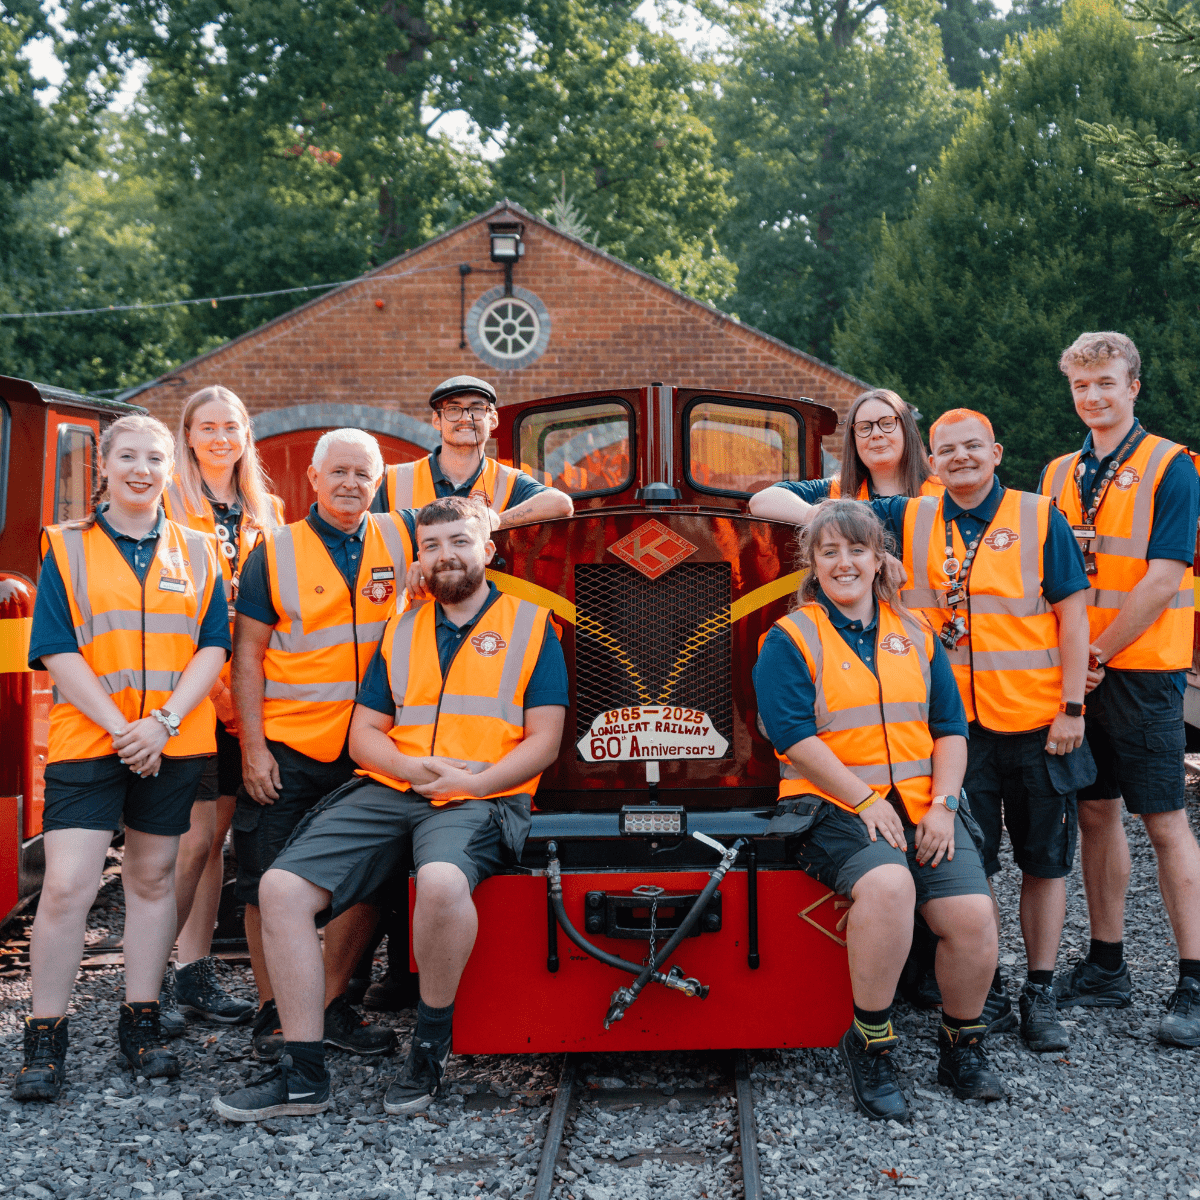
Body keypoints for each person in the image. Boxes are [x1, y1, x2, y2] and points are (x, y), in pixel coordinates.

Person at [213, 495, 568, 1121]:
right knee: (280, 889)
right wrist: (410, 770)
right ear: (419, 559)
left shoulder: (532, 626)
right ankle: (303, 1073)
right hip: (396, 786)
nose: (444, 555)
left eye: (458, 542)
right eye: (430, 546)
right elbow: (365, 736)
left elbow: (545, 740)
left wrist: (476, 783)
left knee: (441, 883)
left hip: (483, 794)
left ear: (488, 551)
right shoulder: (400, 630)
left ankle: (429, 1047)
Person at [754, 501, 1001, 1121]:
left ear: (877, 559)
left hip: (922, 806)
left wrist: (944, 805)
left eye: (856, 550)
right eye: (829, 552)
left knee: (972, 915)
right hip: (828, 805)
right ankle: (871, 1043)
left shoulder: (914, 633)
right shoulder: (790, 638)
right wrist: (864, 800)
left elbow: (949, 728)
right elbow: (792, 736)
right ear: (813, 564)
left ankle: (962, 1045)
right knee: (889, 886)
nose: (844, 563)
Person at [15, 414, 228, 1102]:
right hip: (90, 740)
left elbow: (213, 646)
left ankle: (140, 1021)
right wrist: (122, 729)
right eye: (128, 456)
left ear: (171, 469)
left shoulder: (200, 550)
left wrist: (161, 724)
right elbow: (55, 646)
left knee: (153, 880)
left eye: (155, 459)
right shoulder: (66, 546)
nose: (142, 470)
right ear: (103, 464)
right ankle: (45, 1036)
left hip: (172, 740)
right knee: (67, 885)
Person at [892, 409, 1092, 1051]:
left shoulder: (1038, 516)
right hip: (957, 735)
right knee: (968, 865)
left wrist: (1072, 708)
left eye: (973, 446)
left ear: (997, 452)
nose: (961, 458)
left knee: (1044, 863)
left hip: (1038, 725)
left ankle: (1040, 991)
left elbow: (1074, 615)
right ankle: (989, 988)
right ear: (932, 462)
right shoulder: (913, 518)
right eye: (947, 450)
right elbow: (827, 514)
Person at [231, 428, 416, 1063]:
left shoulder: (404, 535)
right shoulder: (274, 552)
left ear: (378, 482)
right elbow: (248, 657)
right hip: (289, 747)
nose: (350, 484)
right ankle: (275, 1011)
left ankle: (332, 1005)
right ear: (312, 479)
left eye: (363, 474)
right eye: (338, 471)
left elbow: (489, 518)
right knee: (263, 882)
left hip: (373, 748)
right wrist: (253, 749)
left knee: (366, 883)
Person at [1040, 331, 1200, 1048]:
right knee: (1097, 814)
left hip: (1141, 673)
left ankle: (1193, 981)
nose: (1093, 396)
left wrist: (1096, 655)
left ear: (1134, 386)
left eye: (1106, 382)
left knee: (1165, 821)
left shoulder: (1172, 465)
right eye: (1081, 385)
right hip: (1081, 675)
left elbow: (1163, 579)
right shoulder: (1057, 472)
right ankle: (1107, 965)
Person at [158, 385, 285, 1034]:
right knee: (190, 842)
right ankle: (149, 979)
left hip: (245, 694)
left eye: (230, 427)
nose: (219, 438)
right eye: (206, 427)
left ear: (245, 436)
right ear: (187, 435)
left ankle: (194, 972)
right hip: (187, 691)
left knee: (215, 844)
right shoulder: (166, 500)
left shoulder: (269, 510)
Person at [374, 376, 574, 526]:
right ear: (437, 420)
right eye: (453, 409)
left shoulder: (507, 481)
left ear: (493, 420)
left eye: (476, 409)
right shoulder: (393, 480)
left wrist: (494, 524)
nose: (465, 418)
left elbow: (561, 504)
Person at [748, 388, 942, 523]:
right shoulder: (835, 491)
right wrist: (812, 515)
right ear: (853, 440)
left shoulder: (942, 492)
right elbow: (761, 500)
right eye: (864, 427)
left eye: (887, 423)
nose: (876, 434)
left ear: (907, 430)